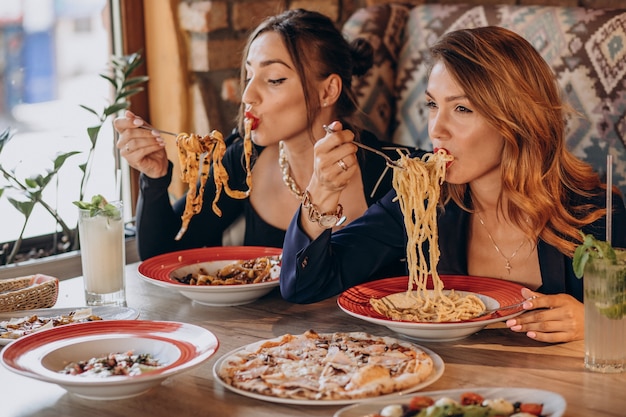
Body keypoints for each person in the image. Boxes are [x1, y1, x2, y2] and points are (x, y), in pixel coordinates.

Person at [279, 26, 626, 343]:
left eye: (461, 108)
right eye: (432, 105)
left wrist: (598, 320)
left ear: (516, 119)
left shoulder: (593, 212)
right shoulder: (421, 201)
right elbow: (305, 285)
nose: (436, 129)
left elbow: (617, 316)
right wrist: (322, 191)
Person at [114, 9, 416, 263]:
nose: (247, 95)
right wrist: (154, 179)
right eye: (248, 75)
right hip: (261, 334)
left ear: (328, 91)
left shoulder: (394, 176)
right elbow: (162, 256)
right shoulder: (245, 160)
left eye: (274, 79)